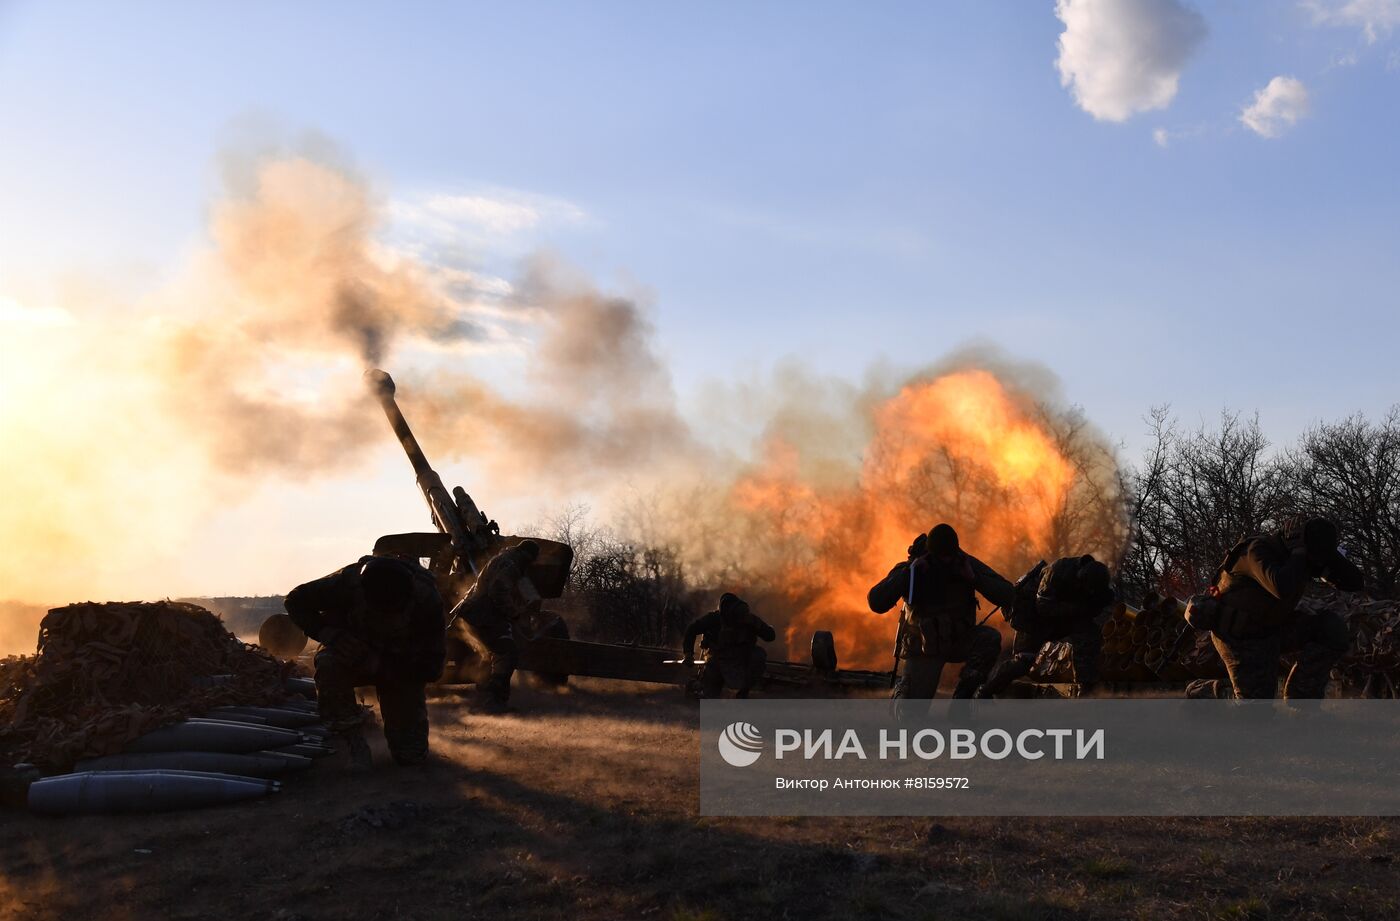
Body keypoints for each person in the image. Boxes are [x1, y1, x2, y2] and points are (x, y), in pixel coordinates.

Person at [284, 555, 446, 769]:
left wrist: (384, 666)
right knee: (328, 664)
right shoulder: (346, 583)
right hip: (350, 654)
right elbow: (295, 600)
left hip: (398, 666)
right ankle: (352, 741)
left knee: (411, 757)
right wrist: (329, 634)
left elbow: (432, 668)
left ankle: (405, 743)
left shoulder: (427, 601)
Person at [1184, 516, 1364, 702]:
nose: (1316, 563)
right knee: (1257, 712)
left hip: (1273, 628)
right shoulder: (1257, 551)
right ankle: (1206, 691)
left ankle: (1301, 701)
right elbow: (1281, 587)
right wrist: (1300, 554)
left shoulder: (1306, 557)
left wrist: (1330, 564)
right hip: (1241, 639)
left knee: (1331, 629)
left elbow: (1355, 582)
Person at [868, 523, 1016, 704]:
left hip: (958, 640)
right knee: (911, 717)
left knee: (989, 638)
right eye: (940, 557)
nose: (945, 562)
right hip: (924, 648)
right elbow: (876, 602)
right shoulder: (913, 568)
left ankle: (963, 701)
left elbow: (1009, 595)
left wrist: (975, 579)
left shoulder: (963, 563)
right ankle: (903, 691)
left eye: (949, 556)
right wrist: (909, 574)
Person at [975, 555, 1115, 698]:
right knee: (1023, 662)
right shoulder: (1057, 571)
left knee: (1089, 635)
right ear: (1081, 579)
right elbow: (1043, 606)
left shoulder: (1095, 583)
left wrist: (1096, 606)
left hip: (1061, 617)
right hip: (1032, 619)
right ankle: (985, 691)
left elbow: (1102, 603)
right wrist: (1080, 609)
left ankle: (1087, 688)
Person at [450, 540, 541, 712]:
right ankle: (492, 703)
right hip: (482, 614)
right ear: (527, 556)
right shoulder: (511, 565)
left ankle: (483, 701)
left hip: (473, 613)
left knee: (490, 655)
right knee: (507, 653)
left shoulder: (502, 559)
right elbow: (499, 591)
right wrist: (514, 613)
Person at [682, 593, 776, 698]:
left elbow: (770, 636)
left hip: (742, 658)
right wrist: (688, 654)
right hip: (718, 659)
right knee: (710, 696)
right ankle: (704, 689)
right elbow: (692, 630)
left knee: (758, 655)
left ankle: (743, 692)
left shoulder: (750, 620)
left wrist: (759, 626)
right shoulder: (715, 619)